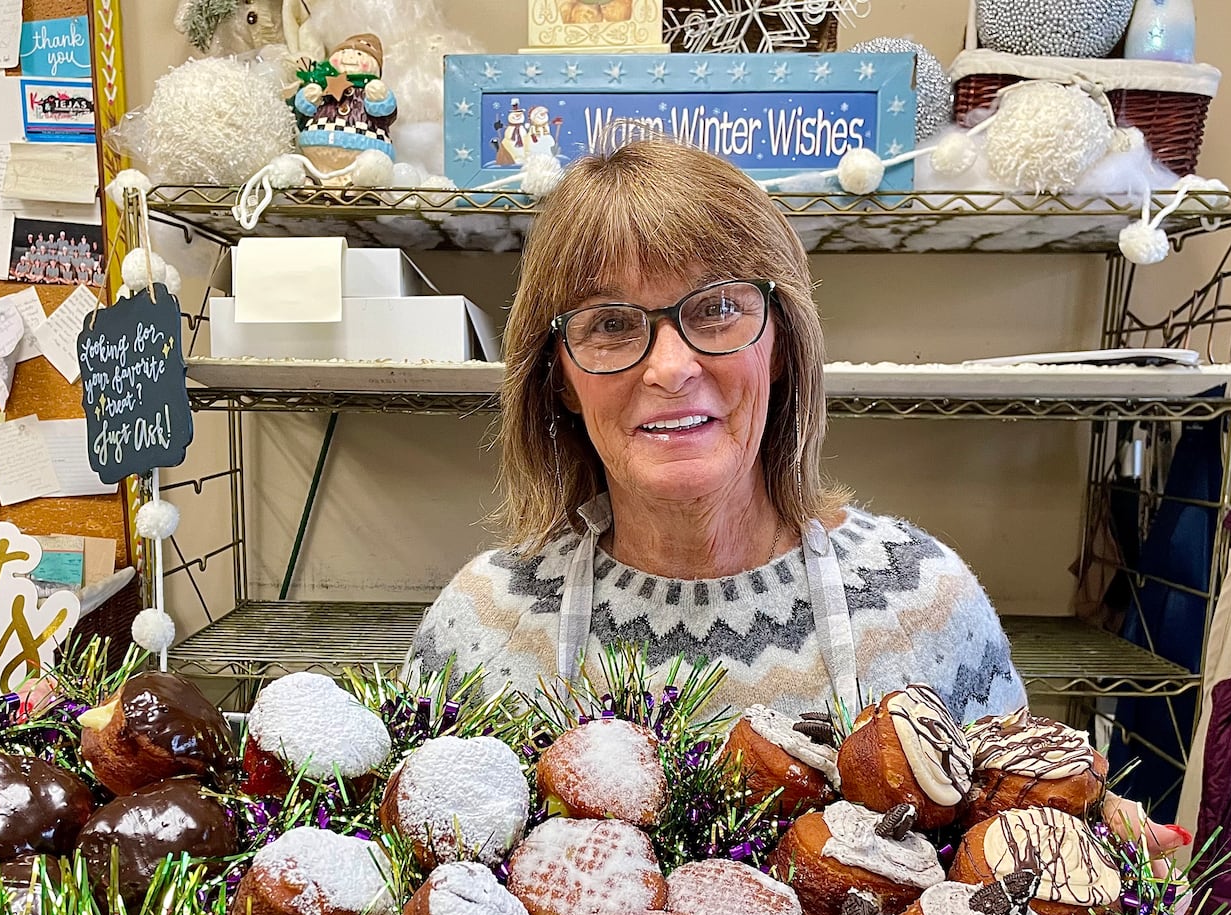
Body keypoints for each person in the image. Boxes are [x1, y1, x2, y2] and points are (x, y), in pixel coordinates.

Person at [407, 137, 1028, 726]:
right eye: (610, 323)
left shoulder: (924, 603)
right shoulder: (480, 630)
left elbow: (1031, 830)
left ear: (781, 345)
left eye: (718, 308)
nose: (672, 369)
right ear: (561, 379)